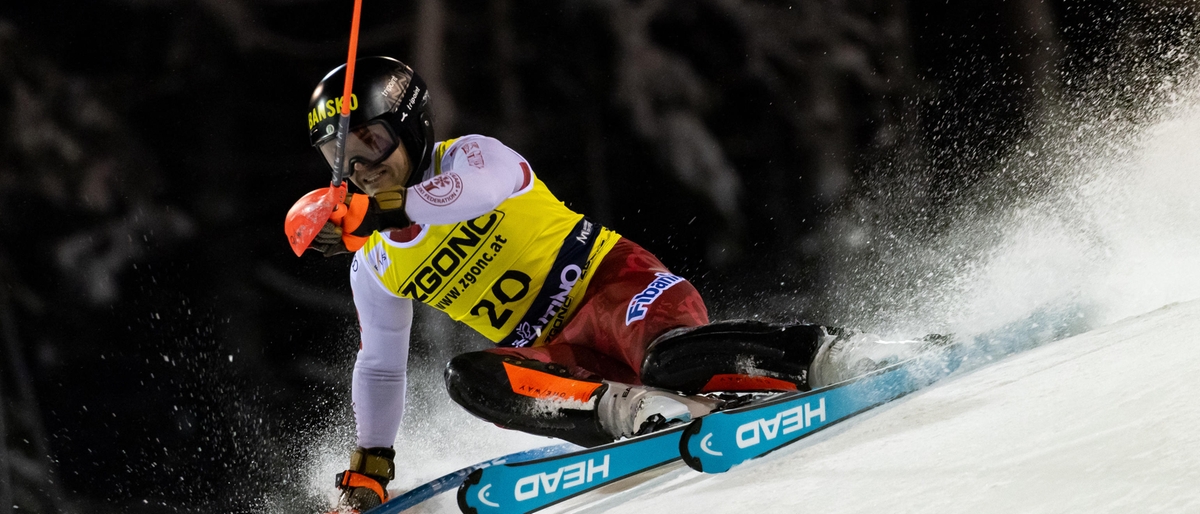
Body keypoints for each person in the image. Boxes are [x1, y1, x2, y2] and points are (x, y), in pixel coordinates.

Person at [291, 56, 911, 511]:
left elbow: (458, 198)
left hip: (616, 290)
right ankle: (634, 412)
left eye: (370, 142)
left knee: (669, 358)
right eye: (338, 158)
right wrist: (373, 462)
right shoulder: (372, 265)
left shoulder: (471, 158)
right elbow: (379, 367)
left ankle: (833, 356)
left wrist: (381, 211)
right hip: (562, 353)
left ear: (410, 128)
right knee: (470, 377)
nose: (359, 169)